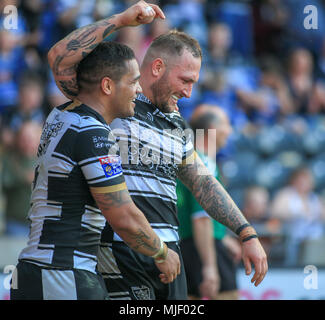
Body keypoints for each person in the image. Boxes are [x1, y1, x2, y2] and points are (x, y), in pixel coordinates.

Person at [53, 2, 268, 300]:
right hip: (121, 254)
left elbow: (202, 182)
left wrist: (246, 232)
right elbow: (60, 60)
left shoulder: (177, 123)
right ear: (157, 67)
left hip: (171, 259)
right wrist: (120, 21)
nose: (189, 92)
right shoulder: (112, 99)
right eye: (185, 80)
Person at [10, 1, 181, 300]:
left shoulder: (60, 114)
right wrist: (161, 251)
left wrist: (121, 20)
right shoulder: (93, 133)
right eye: (133, 82)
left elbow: (58, 57)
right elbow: (122, 214)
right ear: (107, 86)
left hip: (32, 272)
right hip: (65, 275)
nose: (139, 90)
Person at [177, 104, 241, 300]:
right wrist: (210, 267)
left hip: (186, 246)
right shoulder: (203, 163)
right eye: (227, 124)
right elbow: (201, 218)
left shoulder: (189, 160)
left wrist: (222, 237)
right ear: (211, 129)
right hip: (202, 248)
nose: (230, 130)